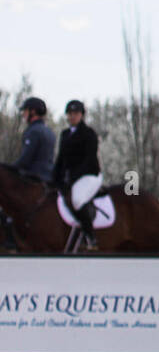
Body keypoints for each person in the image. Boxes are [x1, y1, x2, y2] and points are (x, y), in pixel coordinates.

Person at [52, 99, 103, 250]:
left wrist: (72, 179)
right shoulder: (65, 134)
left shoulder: (89, 134)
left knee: (77, 199)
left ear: (81, 115)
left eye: (75, 113)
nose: (72, 117)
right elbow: (61, 159)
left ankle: (90, 237)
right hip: (72, 177)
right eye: (70, 114)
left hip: (89, 175)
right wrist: (54, 177)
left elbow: (89, 160)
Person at [11, 97, 56, 183]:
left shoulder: (33, 131)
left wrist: (9, 168)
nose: (24, 114)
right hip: (49, 177)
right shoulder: (49, 131)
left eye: (25, 111)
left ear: (33, 111)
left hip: (33, 178)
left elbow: (25, 160)